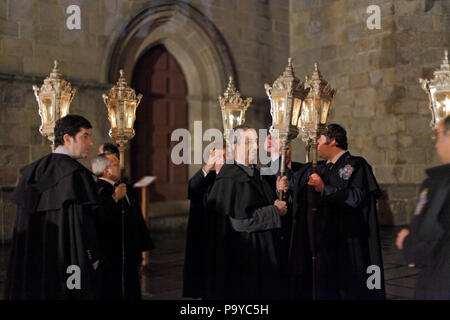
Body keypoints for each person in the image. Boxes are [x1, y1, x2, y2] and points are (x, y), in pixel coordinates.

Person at [4, 115, 101, 300]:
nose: (91, 142)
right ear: (67, 138)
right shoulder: (77, 174)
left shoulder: (31, 171)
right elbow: (86, 223)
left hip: (33, 259)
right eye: (85, 136)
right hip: (69, 260)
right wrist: (93, 256)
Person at [287, 123, 385, 300]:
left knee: (347, 286)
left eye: (320, 139)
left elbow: (355, 197)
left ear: (333, 140)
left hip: (347, 240)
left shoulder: (356, 164)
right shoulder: (321, 167)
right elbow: (297, 180)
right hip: (324, 239)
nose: (316, 144)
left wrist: (325, 188)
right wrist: (286, 177)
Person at [205, 125, 287, 300]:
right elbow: (241, 222)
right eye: (249, 142)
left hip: (261, 255)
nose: (256, 147)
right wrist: (275, 211)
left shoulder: (255, 174)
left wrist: (278, 191)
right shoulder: (231, 179)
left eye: (256, 142)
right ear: (235, 146)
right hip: (245, 259)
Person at [396, 115, 450, 299]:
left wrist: (406, 242)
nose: (436, 145)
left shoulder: (440, 184)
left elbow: (425, 240)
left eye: (439, 136)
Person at [91, 153, 154, 300]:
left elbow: (136, 216)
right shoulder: (98, 190)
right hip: (113, 252)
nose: (121, 167)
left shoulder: (125, 186)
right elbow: (98, 218)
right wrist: (114, 198)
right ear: (106, 170)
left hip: (131, 249)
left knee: (132, 287)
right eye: (116, 164)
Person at [183, 145, 226, 299]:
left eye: (226, 156)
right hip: (208, 231)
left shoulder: (235, 176)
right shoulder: (208, 177)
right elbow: (192, 187)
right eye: (220, 157)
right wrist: (209, 164)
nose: (223, 160)